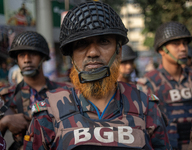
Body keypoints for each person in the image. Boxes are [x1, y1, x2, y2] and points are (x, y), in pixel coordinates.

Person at [24, 2, 171, 150]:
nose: (93, 52)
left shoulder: (146, 107)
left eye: (103, 41)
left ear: (118, 51)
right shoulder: (49, 112)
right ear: (72, 56)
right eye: (82, 44)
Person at [0, 31, 72, 150]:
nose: (27, 60)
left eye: (32, 54)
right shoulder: (3, 96)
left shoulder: (66, 90)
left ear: (43, 57)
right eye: (21, 55)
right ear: (16, 60)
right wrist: (4, 122)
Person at [137, 21, 192, 150]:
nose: (183, 48)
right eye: (176, 44)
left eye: (184, 43)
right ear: (162, 49)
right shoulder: (147, 83)